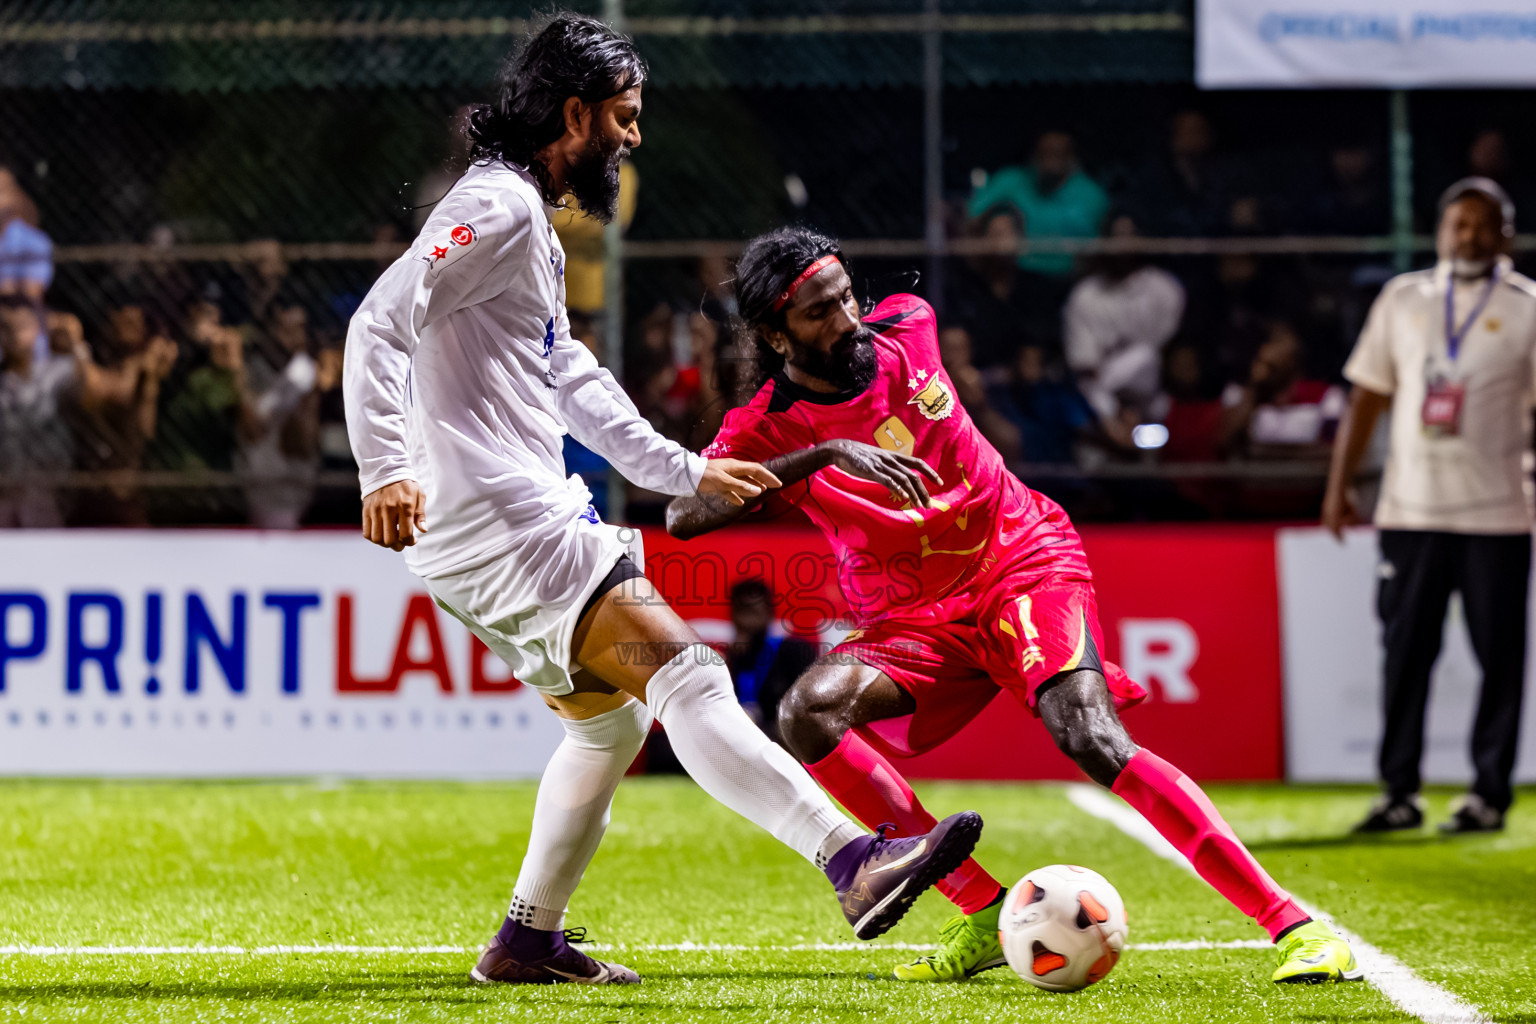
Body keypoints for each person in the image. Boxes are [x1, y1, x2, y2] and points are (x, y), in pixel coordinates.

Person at [343, 13, 980, 988]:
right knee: (686, 679)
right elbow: (381, 319)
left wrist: (684, 472)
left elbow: (572, 379)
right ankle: (853, 860)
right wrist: (382, 463)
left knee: (609, 724)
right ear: (575, 111)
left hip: (500, 525)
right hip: (508, 523)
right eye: (625, 117)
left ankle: (526, 939)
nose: (635, 137)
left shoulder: (523, 214)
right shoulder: (499, 210)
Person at [666, 226, 1361, 985]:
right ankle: (980, 911)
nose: (848, 321)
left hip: (1018, 562)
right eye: (821, 314)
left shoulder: (908, 326)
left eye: (845, 298)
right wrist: (824, 456)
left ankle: (1292, 925)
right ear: (774, 333)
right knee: (806, 712)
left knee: (1088, 734)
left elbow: (893, 336)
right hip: (911, 619)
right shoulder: (767, 423)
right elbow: (683, 517)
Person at [1324, 177, 1536, 836]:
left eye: (1482, 225)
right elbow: (1368, 396)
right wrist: (1339, 484)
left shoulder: (1529, 306)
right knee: (1405, 654)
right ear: (1441, 231)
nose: (1468, 236)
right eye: (1458, 224)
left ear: (1506, 232)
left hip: (1497, 513)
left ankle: (1488, 794)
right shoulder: (1403, 297)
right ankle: (1398, 792)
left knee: (1498, 659)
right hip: (1409, 510)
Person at [1063, 214, 1186, 426]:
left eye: (1128, 235)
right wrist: (1114, 413)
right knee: (1090, 396)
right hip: (1102, 402)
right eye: (1115, 236)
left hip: (1154, 395)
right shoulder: (1085, 295)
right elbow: (1084, 366)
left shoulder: (1164, 289)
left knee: (1145, 355)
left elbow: (1171, 354)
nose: (1121, 244)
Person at [966, 131, 1109, 279]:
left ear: (1072, 157)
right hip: (1017, 277)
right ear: (1035, 155)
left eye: (1059, 152)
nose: (1052, 158)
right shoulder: (1010, 181)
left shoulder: (1092, 194)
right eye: (1046, 152)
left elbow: (1105, 244)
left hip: (1076, 280)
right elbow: (972, 219)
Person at [726, 577, 819, 741]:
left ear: (770, 614)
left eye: (753, 612)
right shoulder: (730, 657)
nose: (746, 621)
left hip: (779, 735)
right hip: (738, 733)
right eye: (740, 611)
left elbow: (804, 711)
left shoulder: (795, 651)